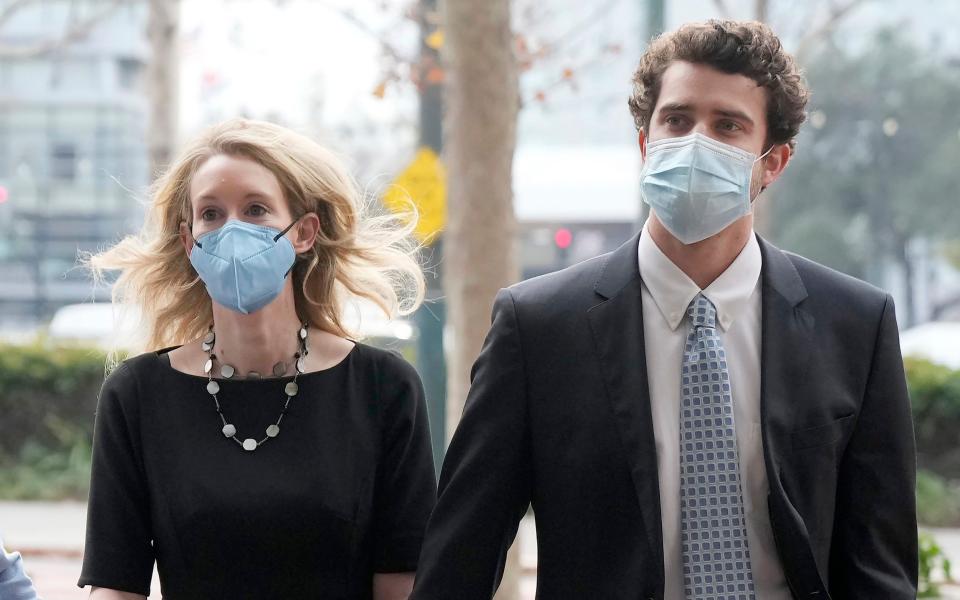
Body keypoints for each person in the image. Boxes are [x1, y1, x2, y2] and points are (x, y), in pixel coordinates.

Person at [412, 19, 917, 600]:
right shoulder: (540, 327)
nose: (695, 141)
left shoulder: (854, 324)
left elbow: (880, 565)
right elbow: (461, 553)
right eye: (677, 119)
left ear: (773, 162)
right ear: (646, 143)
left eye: (727, 125)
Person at [78, 119, 436, 600]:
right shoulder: (138, 394)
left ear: (304, 232)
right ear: (190, 243)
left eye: (255, 209)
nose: (232, 229)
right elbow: (115, 586)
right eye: (210, 214)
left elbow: (402, 583)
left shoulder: (382, 387)